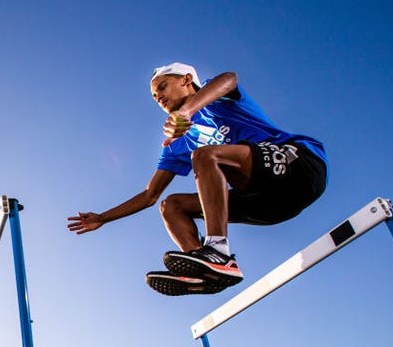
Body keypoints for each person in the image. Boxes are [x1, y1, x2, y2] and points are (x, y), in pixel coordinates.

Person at [67, 62, 328, 295]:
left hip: (299, 168)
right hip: (270, 205)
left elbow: (230, 78)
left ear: (186, 80)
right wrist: (102, 217)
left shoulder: (220, 99)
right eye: (155, 96)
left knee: (205, 156)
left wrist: (187, 111)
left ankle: (217, 249)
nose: (159, 97)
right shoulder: (176, 144)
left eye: (163, 87)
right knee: (171, 206)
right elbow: (149, 195)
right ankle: (205, 269)